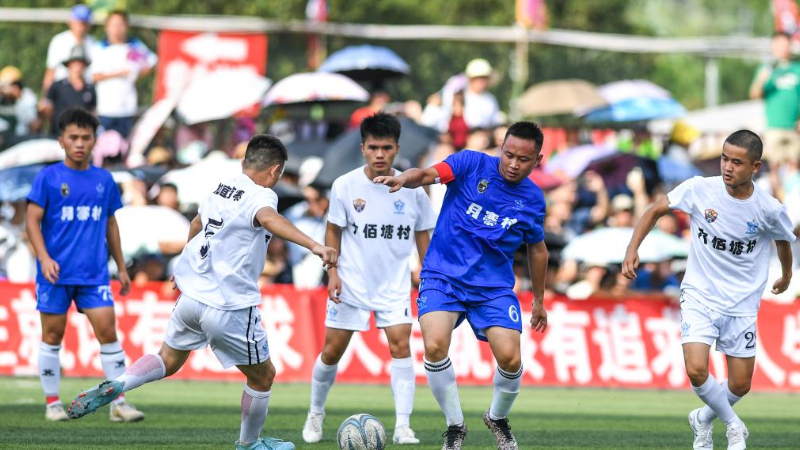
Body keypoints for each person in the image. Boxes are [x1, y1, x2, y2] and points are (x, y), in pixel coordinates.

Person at [67, 134, 338, 450]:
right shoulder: (263, 194)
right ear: (275, 171)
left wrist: (186, 263)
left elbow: (196, 223)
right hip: (228, 304)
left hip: (192, 296)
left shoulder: (220, 187)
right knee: (263, 376)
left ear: (243, 162)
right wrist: (316, 245)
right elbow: (268, 218)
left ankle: (120, 383)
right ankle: (249, 443)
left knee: (167, 359)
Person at [374, 121, 549, 450]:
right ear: (501, 148)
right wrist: (404, 178)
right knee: (435, 345)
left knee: (510, 358)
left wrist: (538, 300)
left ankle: (497, 417)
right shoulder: (470, 163)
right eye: (508, 155)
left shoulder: (533, 200)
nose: (513, 164)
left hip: (493, 288)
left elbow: (537, 250)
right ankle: (455, 426)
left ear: (537, 160)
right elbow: (428, 174)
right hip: (443, 276)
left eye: (523, 159)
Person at [622, 130, 795, 450]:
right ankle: (734, 426)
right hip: (699, 295)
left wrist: (785, 276)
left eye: (737, 162)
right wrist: (633, 248)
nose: (728, 167)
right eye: (725, 159)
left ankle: (702, 418)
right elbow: (655, 209)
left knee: (740, 384)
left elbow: (783, 239)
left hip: (742, 302)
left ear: (755, 166)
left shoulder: (769, 208)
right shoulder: (699, 188)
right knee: (697, 368)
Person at [301, 113, 436, 445]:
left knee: (401, 346)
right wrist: (332, 272)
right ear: (362, 148)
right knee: (332, 351)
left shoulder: (413, 190)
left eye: (386, 148)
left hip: (394, 284)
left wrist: (430, 277)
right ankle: (315, 414)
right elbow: (333, 230)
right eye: (373, 147)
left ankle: (403, 426)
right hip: (351, 283)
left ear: (397, 149)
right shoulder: (345, 185)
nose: (379, 154)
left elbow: (423, 236)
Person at [25, 107, 141, 423]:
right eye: (73, 137)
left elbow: (111, 224)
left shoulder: (104, 179)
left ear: (94, 141)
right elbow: (32, 221)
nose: (79, 143)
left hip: (94, 274)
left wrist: (121, 266)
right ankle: (52, 404)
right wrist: (44, 258)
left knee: (108, 333)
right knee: (52, 336)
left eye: (86, 137)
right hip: (55, 274)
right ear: (61, 140)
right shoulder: (48, 177)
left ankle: (119, 403)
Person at [90, 10, 157, 138]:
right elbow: (94, 76)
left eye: (120, 24)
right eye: (113, 25)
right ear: (107, 27)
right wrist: (119, 74)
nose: (117, 29)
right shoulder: (99, 48)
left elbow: (151, 62)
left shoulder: (134, 46)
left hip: (127, 108)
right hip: (106, 109)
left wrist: (137, 76)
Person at [749, 32, 800, 167]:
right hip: (774, 126)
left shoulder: (797, 69)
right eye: (779, 45)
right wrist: (761, 79)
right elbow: (754, 95)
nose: (782, 48)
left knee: (794, 164)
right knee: (774, 165)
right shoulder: (766, 69)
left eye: (785, 45)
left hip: (794, 126)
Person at [43, 45, 97, 136]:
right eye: (75, 63)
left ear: (85, 66)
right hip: (59, 134)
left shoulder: (90, 88)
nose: (78, 67)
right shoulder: (57, 86)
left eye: (80, 64)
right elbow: (48, 110)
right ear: (69, 65)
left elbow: (93, 111)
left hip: (81, 136)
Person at [42, 4, 96, 93]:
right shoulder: (59, 41)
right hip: (62, 92)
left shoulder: (93, 43)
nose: (81, 25)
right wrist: (46, 95)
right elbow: (51, 71)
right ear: (70, 21)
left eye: (84, 22)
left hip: (84, 92)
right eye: (78, 21)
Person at [463, 58, 502, 130]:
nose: (482, 82)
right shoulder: (461, 97)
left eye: (485, 78)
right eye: (479, 79)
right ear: (471, 80)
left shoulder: (490, 99)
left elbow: (495, 121)